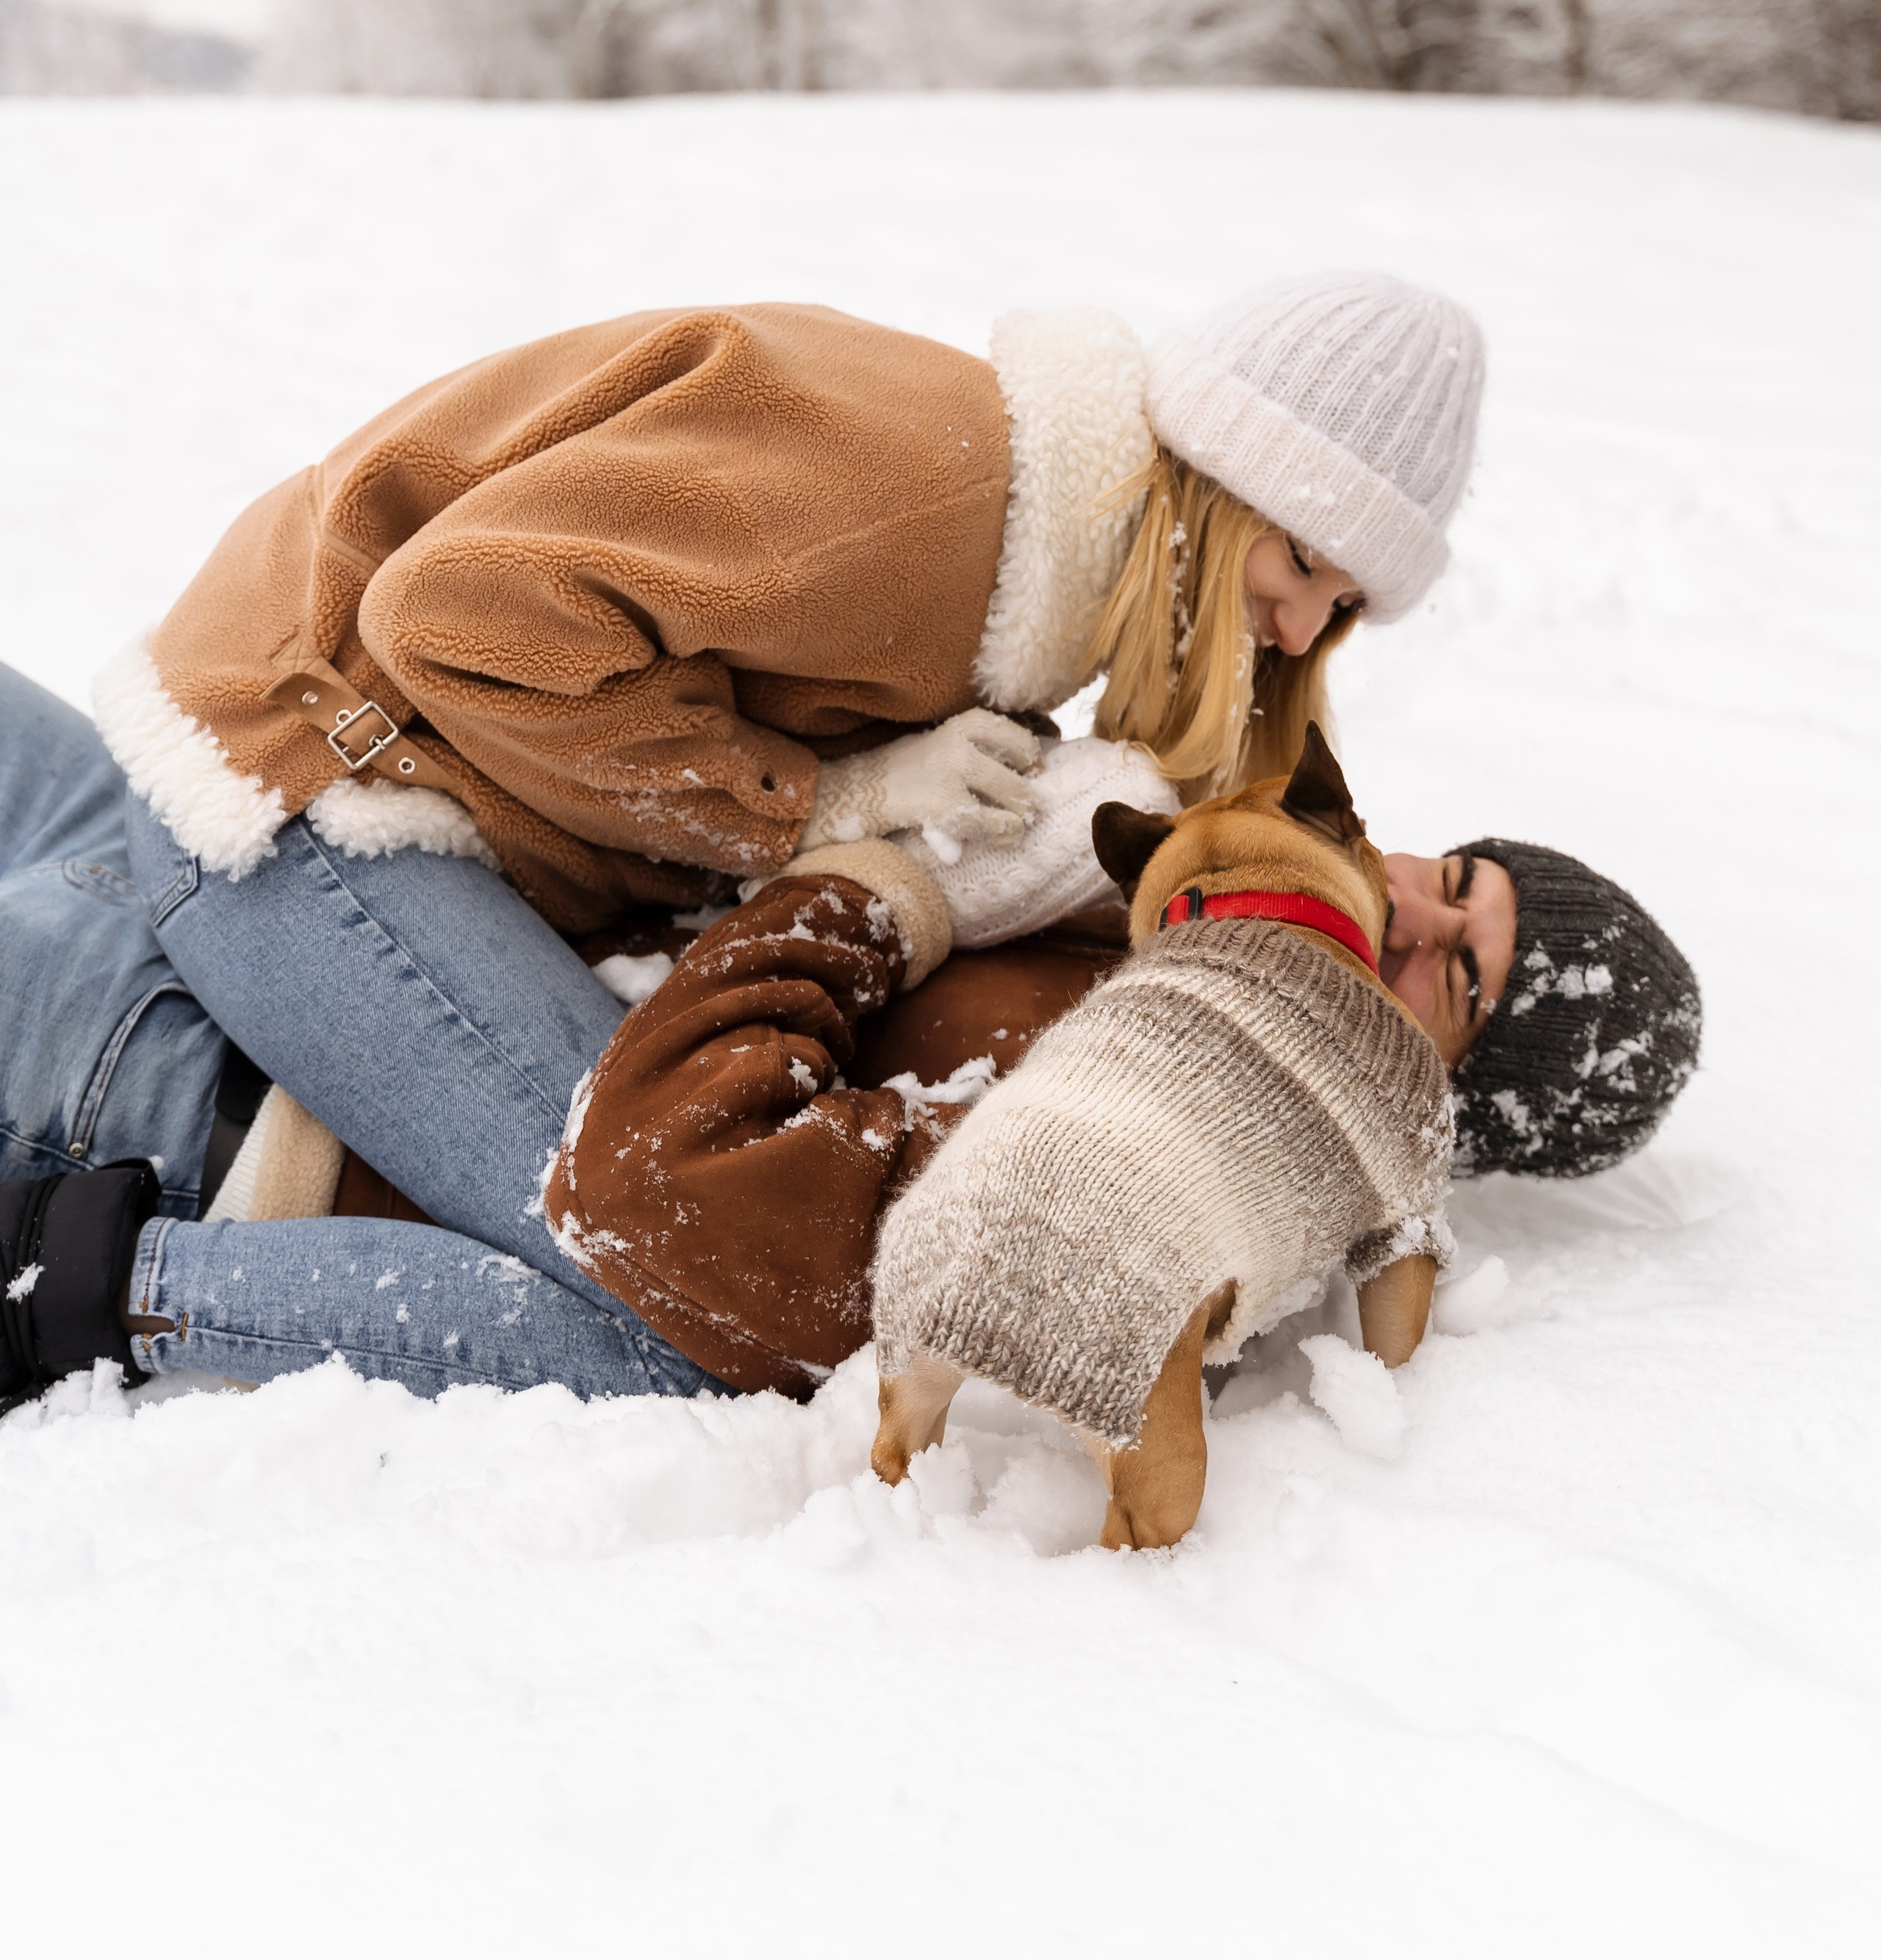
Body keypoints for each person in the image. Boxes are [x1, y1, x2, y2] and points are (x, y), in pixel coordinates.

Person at [1, 672, 1700, 1413]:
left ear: (1430, 1101)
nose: (1403, 908)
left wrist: (878, 890)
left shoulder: (1151, 1143)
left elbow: (681, 1178)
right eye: (1453, 879)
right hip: (245, 844)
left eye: (1452, 975)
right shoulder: (1169, 861)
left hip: (188, 1072)